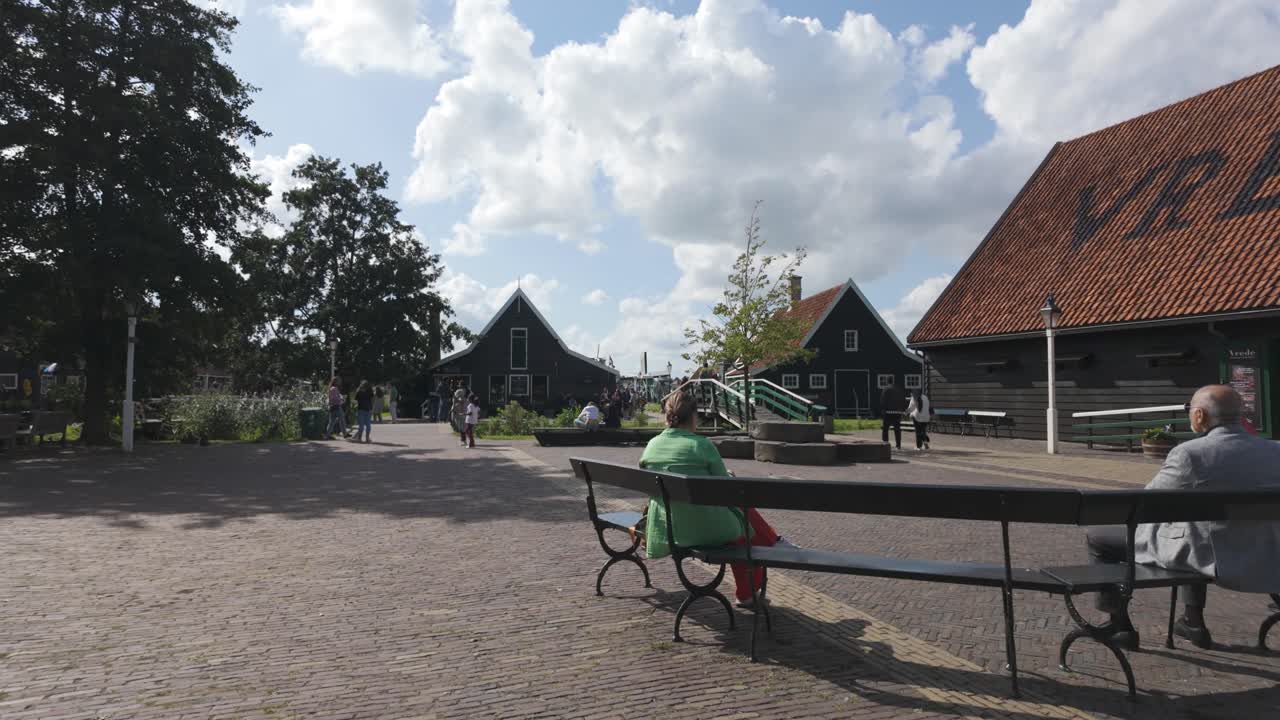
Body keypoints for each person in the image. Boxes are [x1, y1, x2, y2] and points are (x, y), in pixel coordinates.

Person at [1085, 385, 1280, 650]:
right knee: (1192, 527)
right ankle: (1191, 620)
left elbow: (1146, 503)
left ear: (1199, 415)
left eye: (1190, 410)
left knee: (1099, 538)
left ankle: (1119, 625)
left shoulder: (1190, 453)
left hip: (1212, 556)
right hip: (1267, 550)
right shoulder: (1275, 450)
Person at [639, 389, 789, 610]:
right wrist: (729, 477)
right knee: (742, 525)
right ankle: (766, 558)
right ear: (692, 416)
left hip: (669, 529)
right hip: (705, 530)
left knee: (740, 521)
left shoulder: (652, 445)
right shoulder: (702, 445)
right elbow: (725, 489)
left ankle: (774, 544)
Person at [879, 377, 905, 450]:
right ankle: (898, 445)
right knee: (897, 429)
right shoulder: (899, 389)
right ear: (893, 381)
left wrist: (883, 409)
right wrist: (902, 409)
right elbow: (903, 400)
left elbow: (883, 400)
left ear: (887, 381)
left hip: (888, 412)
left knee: (885, 428)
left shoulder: (886, 389)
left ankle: (885, 443)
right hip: (897, 412)